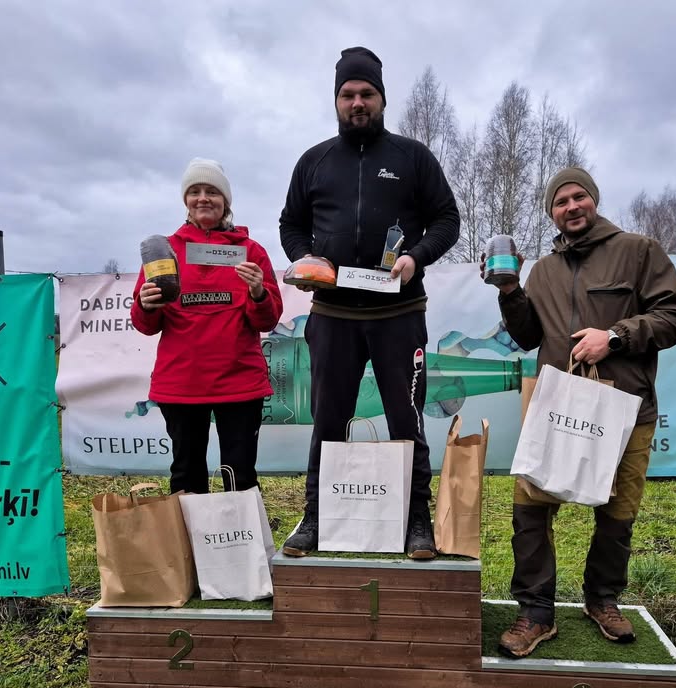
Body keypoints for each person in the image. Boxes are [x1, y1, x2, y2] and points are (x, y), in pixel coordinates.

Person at [486, 167, 676, 656]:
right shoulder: (543, 270)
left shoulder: (638, 250)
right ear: (552, 213)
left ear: (593, 200)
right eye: (560, 202)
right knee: (531, 509)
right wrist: (510, 292)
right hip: (556, 407)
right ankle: (536, 612)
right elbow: (528, 337)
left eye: (579, 197)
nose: (571, 206)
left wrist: (614, 337)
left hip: (626, 409)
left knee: (618, 514)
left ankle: (602, 600)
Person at [279, 47, 460, 559]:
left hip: (398, 314)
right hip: (333, 314)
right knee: (328, 420)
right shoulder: (313, 161)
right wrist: (305, 258)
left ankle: (417, 522)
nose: (357, 103)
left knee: (407, 420)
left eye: (366, 94)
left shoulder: (412, 157)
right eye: (348, 94)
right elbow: (290, 224)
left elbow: (447, 219)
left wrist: (416, 257)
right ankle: (316, 517)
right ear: (336, 100)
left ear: (382, 98)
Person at [132, 157, 284, 494]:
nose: (203, 198)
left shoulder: (250, 251)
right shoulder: (165, 251)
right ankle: (191, 532)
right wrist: (146, 304)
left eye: (212, 192)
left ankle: (241, 531)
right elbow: (145, 325)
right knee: (186, 476)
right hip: (181, 382)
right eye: (195, 191)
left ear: (225, 201)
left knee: (240, 476)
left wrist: (258, 292)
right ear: (185, 200)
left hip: (240, 381)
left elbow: (268, 319)